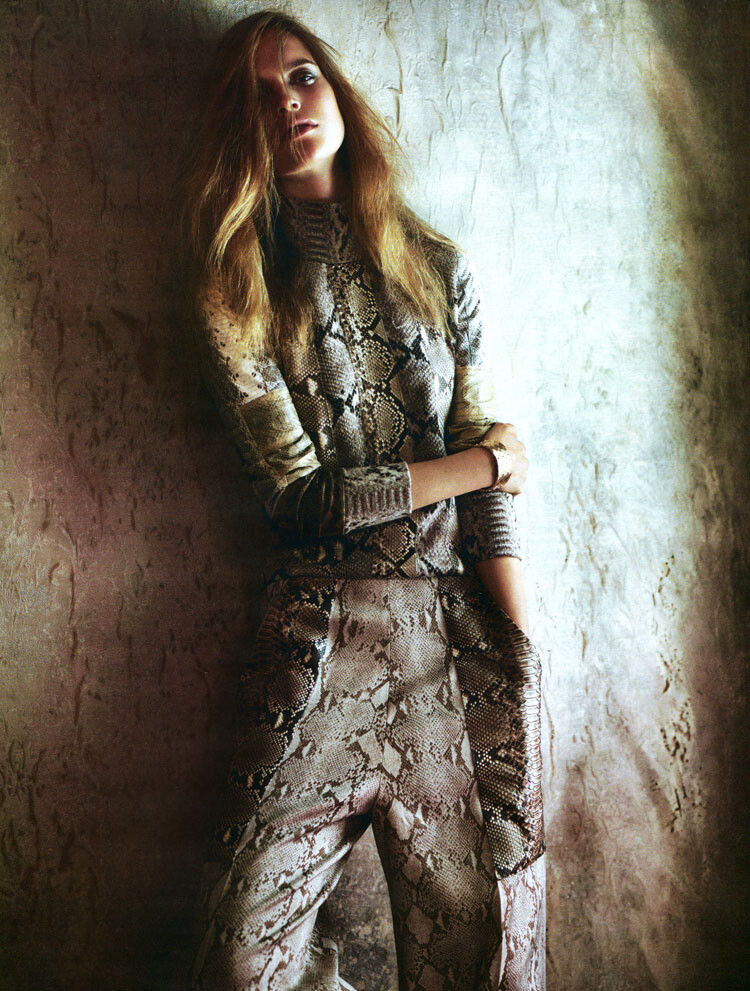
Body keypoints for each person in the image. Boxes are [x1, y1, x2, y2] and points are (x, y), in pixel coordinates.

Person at [179, 10, 545, 990]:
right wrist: (482, 464)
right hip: (314, 638)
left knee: (481, 959)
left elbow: (491, 494)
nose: (288, 105)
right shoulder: (236, 290)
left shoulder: (439, 266)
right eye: (259, 97)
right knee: (238, 958)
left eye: (302, 77)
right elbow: (300, 499)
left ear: (337, 93)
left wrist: (521, 654)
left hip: (456, 643)